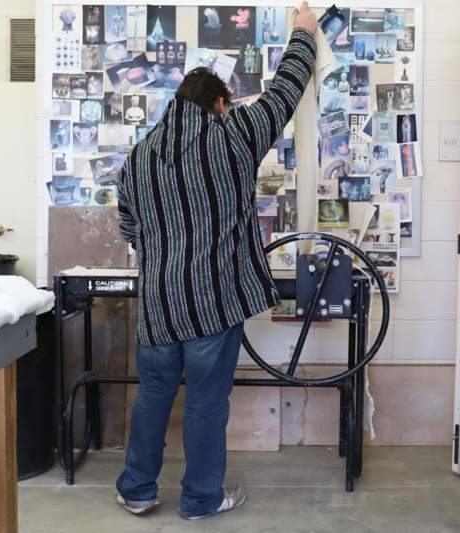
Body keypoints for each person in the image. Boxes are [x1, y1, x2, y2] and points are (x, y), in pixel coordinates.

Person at [115, 2, 318, 521]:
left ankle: (137, 490)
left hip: (158, 307)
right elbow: (287, 89)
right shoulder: (234, 134)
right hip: (212, 302)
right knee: (206, 403)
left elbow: (131, 229)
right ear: (221, 104)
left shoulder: (138, 157)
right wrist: (303, 33)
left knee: (152, 399)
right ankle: (201, 500)